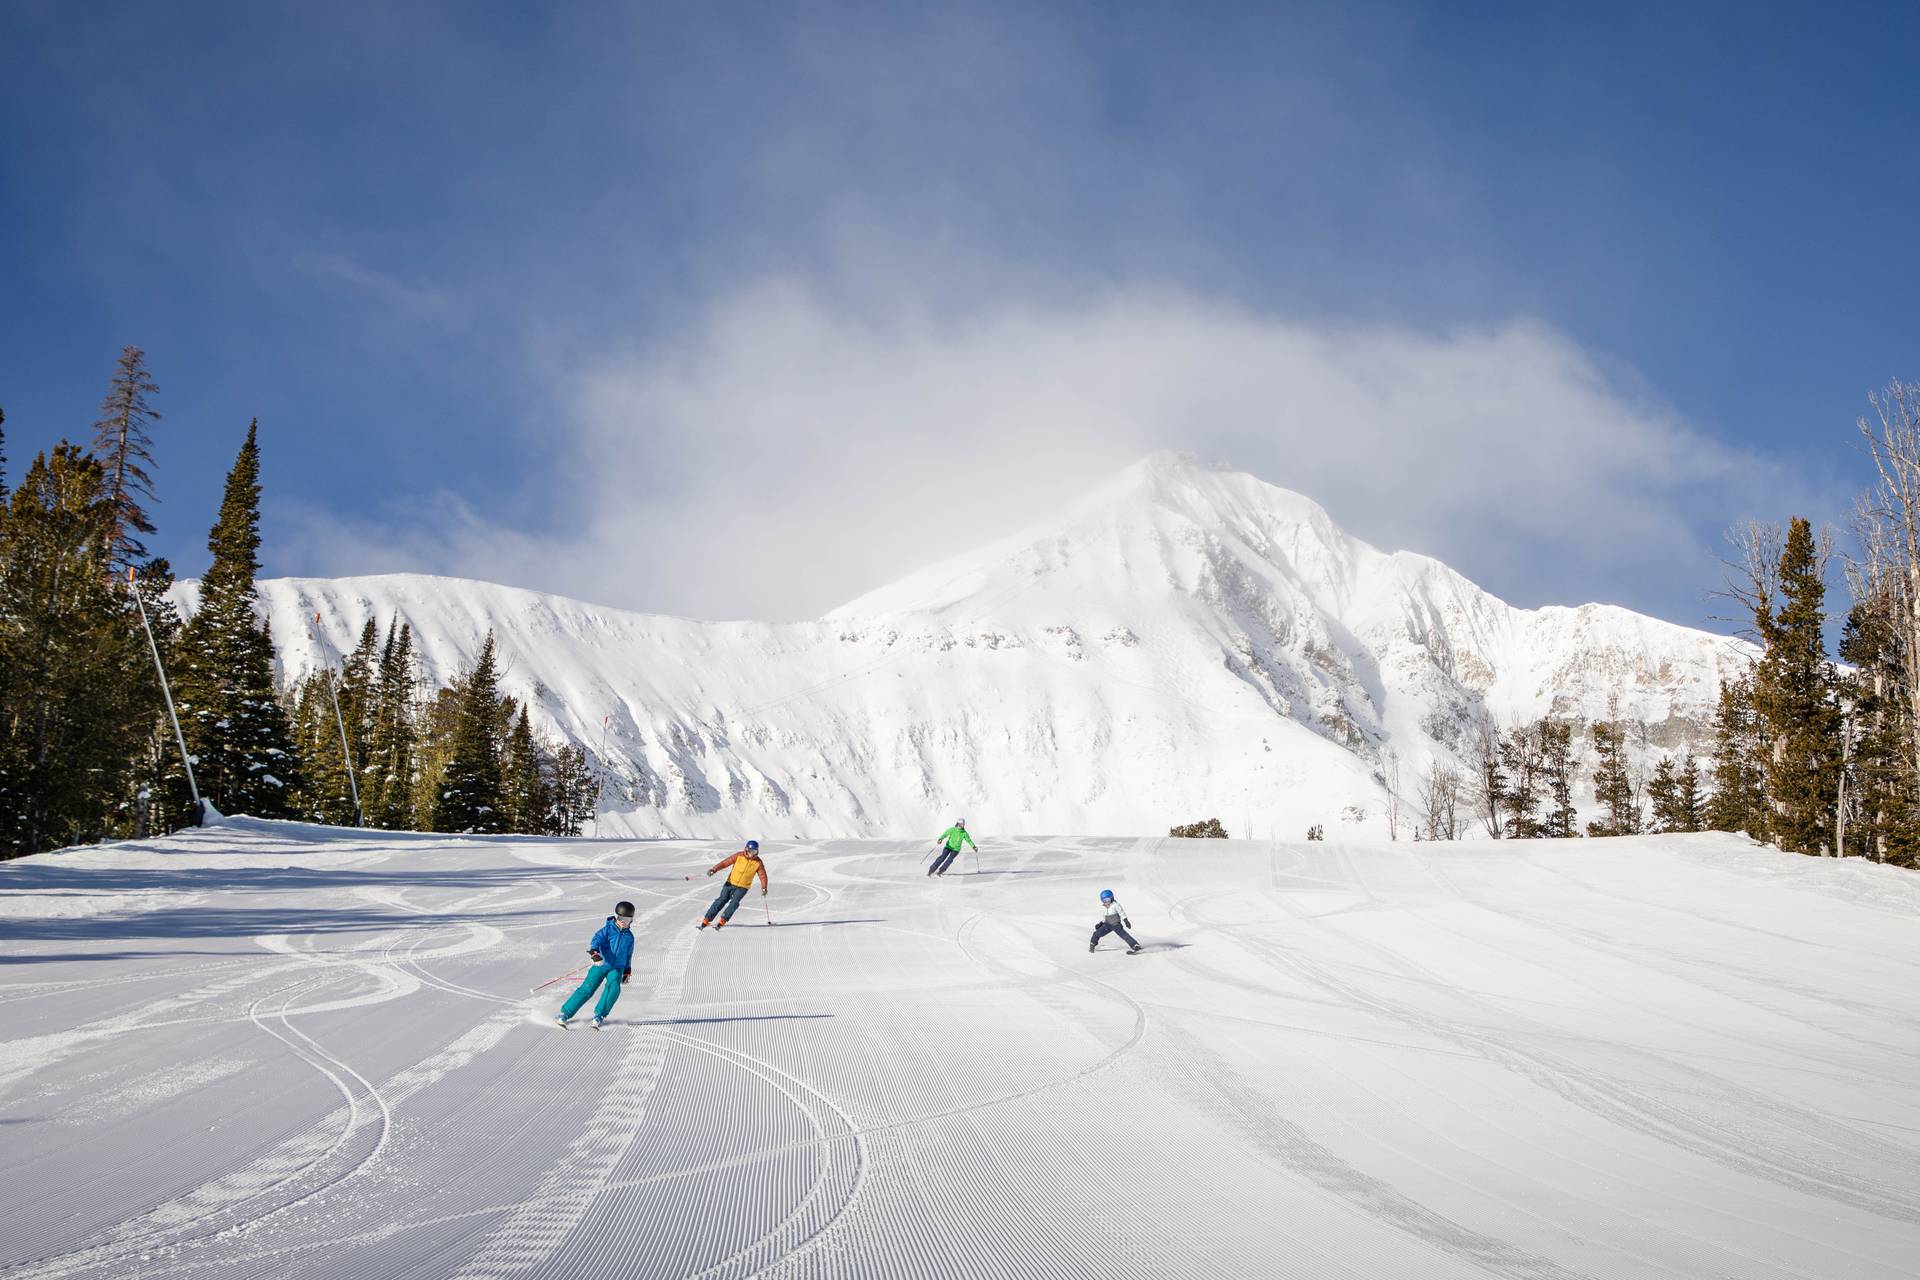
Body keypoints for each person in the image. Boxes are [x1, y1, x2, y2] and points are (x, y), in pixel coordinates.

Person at [556, 900, 636, 1029]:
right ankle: (564, 1013)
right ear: (616, 916)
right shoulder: (607, 930)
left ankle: (599, 1015)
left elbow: (628, 955)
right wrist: (594, 953)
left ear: (631, 920)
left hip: (616, 968)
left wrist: (627, 970)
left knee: (613, 988)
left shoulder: (629, 937)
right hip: (601, 963)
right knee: (587, 989)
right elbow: (596, 940)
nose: (623, 922)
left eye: (627, 919)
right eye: (621, 918)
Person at [700, 840, 768, 930]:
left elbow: (763, 876)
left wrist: (764, 888)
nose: (752, 854)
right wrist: (714, 869)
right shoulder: (739, 856)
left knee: (734, 903)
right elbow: (725, 863)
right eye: (750, 851)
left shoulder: (758, 862)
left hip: (743, 887)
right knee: (721, 900)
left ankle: (723, 920)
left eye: (754, 851)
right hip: (730, 883)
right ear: (746, 849)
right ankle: (707, 919)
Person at [1089, 889, 1142, 954]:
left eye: (1108, 900)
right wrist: (1101, 923)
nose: (1106, 902)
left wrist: (1125, 920)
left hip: (1116, 925)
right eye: (1104, 900)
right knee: (1097, 933)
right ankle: (1092, 944)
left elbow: (1121, 912)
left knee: (1124, 935)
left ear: (1112, 898)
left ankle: (1135, 945)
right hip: (1107, 925)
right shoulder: (1105, 907)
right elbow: (1105, 917)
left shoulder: (1115, 905)